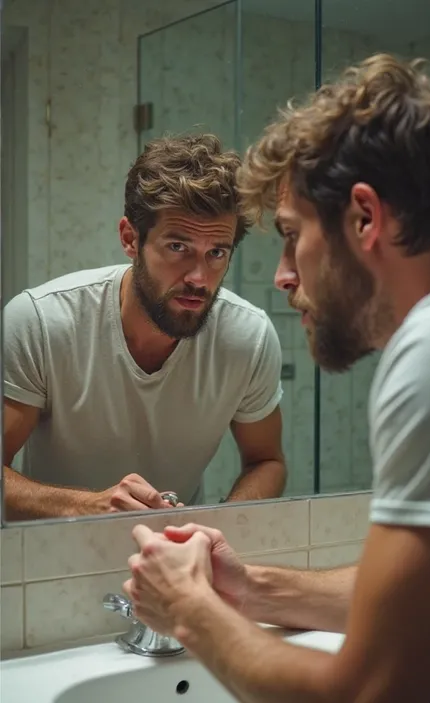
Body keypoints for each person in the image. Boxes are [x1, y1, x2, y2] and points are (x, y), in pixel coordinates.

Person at [123, 55, 430, 703]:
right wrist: (250, 587)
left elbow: (369, 692)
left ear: (364, 218)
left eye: (291, 236)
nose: (284, 274)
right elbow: (426, 596)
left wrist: (188, 606)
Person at [3, 134, 287, 521]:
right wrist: (91, 506)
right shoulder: (41, 322)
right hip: (55, 557)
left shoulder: (248, 338)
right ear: (129, 238)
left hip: (174, 552)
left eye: (216, 252)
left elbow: (267, 461)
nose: (199, 277)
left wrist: (216, 528)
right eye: (177, 247)